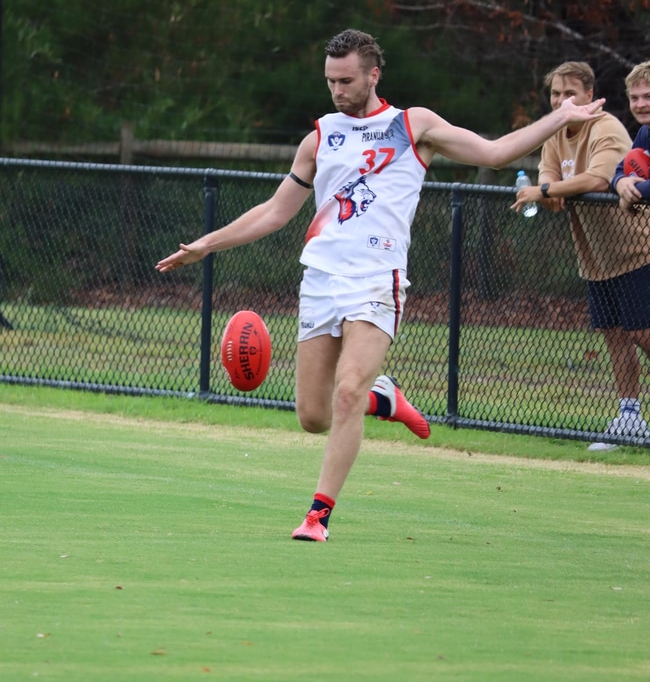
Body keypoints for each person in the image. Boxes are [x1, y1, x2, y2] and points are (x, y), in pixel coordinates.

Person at [157, 30, 606, 540]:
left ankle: (317, 516)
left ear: (373, 74)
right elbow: (275, 212)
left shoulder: (411, 125)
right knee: (312, 416)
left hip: (376, 278)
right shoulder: (321, 136)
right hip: (320, 281)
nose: (337, 90)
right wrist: (205, 244)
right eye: (330, 81)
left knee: (347, 391)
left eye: (346, 80)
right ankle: (383, 398)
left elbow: (496, 152)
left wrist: (560, 118)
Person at [511, 61, 650, 451]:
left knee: (642, 332)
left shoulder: (605, 127)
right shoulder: (554, 132)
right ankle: (629, 417)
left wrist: (548, 192)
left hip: (638, 249)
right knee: (615, 336)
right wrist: (549, 190)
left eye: (570, 93)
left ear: (590, 96)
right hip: (595, 255)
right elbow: (547, 176)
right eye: (556, 93)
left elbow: (598, 179)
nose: (561, 101)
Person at [611, 61, 650, 211]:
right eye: (634, 98)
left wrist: (633, 192)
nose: (640, 105)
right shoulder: (645, 132)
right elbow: (621, 169)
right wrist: (620, 183)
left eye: (648, 96)